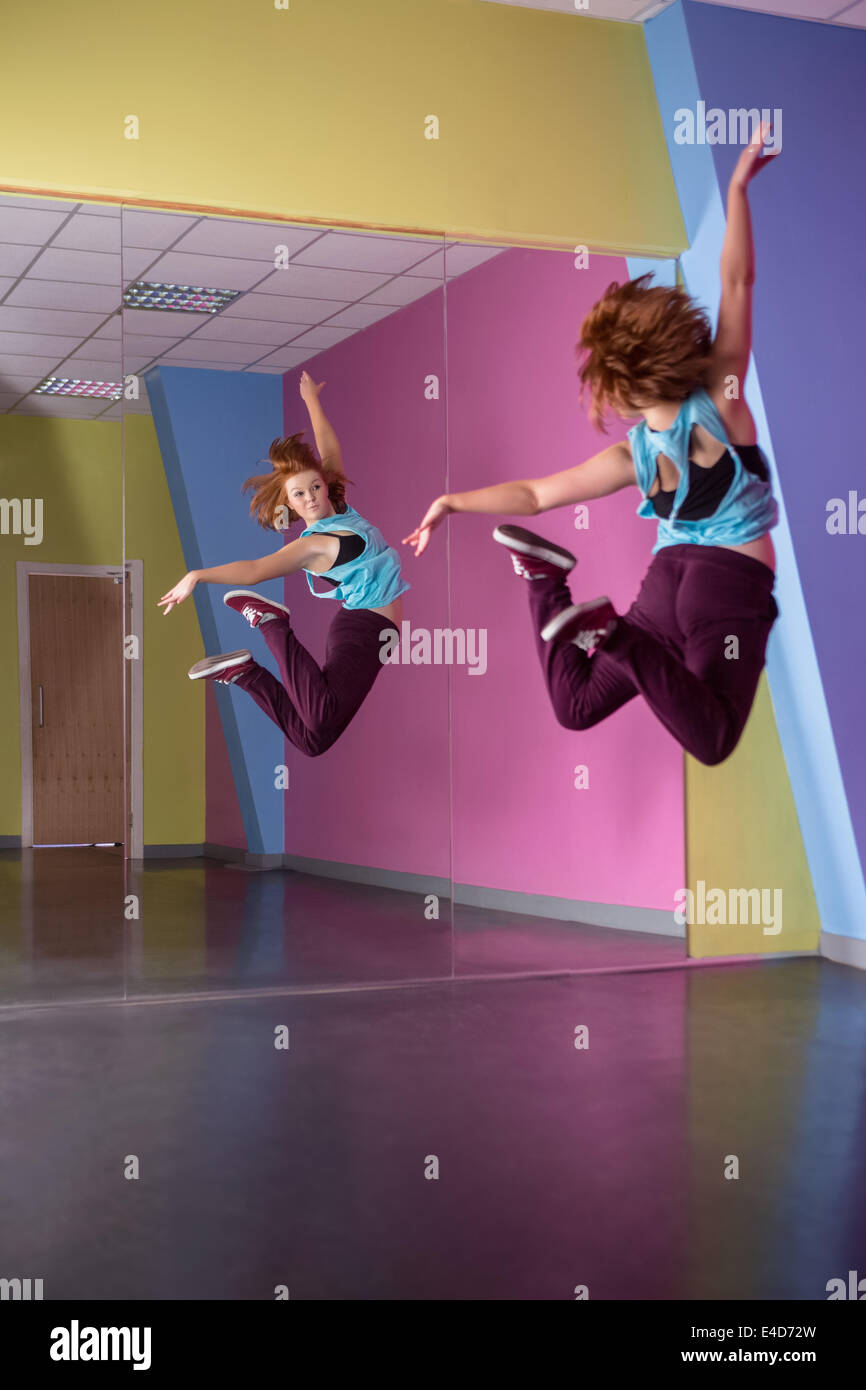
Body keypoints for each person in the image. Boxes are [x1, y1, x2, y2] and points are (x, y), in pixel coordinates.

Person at [404, 123, 780, 767]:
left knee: (575, 707)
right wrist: (739, 186)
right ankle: (611, 634)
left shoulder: (629, 457)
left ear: (622, 393)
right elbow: (738, 283)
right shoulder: (723, 398)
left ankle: (548, 581)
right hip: (726, 585)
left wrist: (452, 501)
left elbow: (533, 494)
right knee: (712, 739)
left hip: (666, 586)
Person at [158, 371, 409, 757]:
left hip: (366, 629)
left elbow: (328, 448)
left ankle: (245, 674)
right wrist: (198, 576)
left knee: (313, 740)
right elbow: (256, 570)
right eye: (299, 494)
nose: (310, 497)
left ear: (325, 486)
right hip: (366, 629)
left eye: (315, 487)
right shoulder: (314, 546)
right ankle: (270, 623)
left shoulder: (340, 510)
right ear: (289, 504)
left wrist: (311, 400)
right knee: (319, 724)